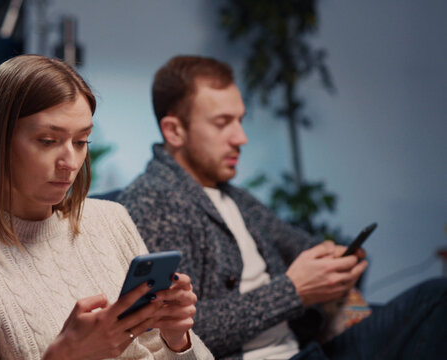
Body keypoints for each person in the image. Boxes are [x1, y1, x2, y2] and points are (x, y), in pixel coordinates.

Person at [118, 55, 447, 359]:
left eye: (240, 120)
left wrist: (336, 264)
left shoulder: (233, 196)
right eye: (223, 123)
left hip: (308, 347)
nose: (241, 137)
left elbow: (305, 248)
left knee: (436, 298)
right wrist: (293, 291)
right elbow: (173, 331)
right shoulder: (153, 203)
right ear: (174, 131)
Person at [0, 54, 213, 360]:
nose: (70, 163)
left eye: (81, 142)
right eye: (47, 141)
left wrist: (178, 341)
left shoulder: (111, 220)